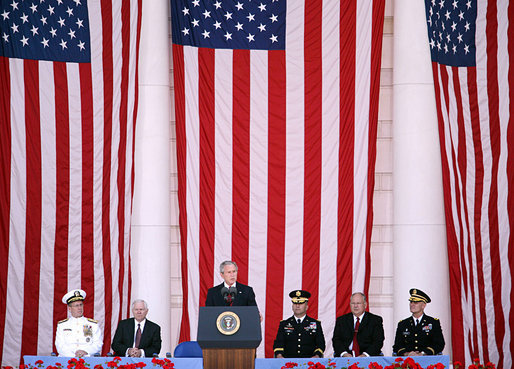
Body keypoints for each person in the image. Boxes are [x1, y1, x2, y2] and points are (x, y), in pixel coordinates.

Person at [273, 290, 325, 358]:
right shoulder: (284, 324)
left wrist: (317, 355)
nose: (297, 306)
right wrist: (279, 355)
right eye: (295, 303)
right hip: (288, 362)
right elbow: (279, 343)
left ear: (306, 307)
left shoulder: (315, 323)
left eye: (300, 303)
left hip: (309, 361)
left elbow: (321, 344)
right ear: (292, 306)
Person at [393, 288, 445, 356]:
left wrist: (423, 353)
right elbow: (397, 346)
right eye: (411, 302)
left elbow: (439, 344)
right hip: (408, 361)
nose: (412, 304)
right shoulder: (403, 324)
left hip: (427, 360)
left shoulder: (433, 322)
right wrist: (407, 353)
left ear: (423, 305)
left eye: (416, 302)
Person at [332, 292, 385, 357]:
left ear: (365, 305)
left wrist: (365, 355)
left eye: (358, 303)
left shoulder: (375, 320)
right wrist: (344, 354)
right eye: (353, 303)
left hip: (368, 357)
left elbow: (378, 341)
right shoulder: (341, 320)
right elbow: (336, 340)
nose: (355, 306)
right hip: (346, 356)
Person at [55, 289, 103, 357]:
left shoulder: (92, 324)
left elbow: (98, 344)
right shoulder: (62, 325)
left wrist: (85, 352)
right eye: (76, 306)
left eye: (81, 305)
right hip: (67, 359)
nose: (79, 308)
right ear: (69, 308)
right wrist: (74, 355)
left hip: (87, 359)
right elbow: (60, 345)